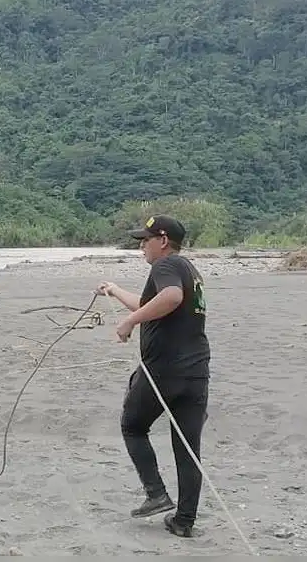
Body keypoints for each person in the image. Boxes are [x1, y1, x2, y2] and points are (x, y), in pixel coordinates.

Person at [96, 215, 210, 539]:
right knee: (187, 448)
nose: (141, 247)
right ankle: (183, 521)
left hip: (165, 370)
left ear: (162, 240)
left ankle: (156, 493)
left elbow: (170, 298)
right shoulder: (190, 270)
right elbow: (155, 303)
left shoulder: (165, 266)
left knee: (132, 425)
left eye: (145, 240)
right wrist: (115, 290)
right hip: (196, 371)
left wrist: (130, 321)